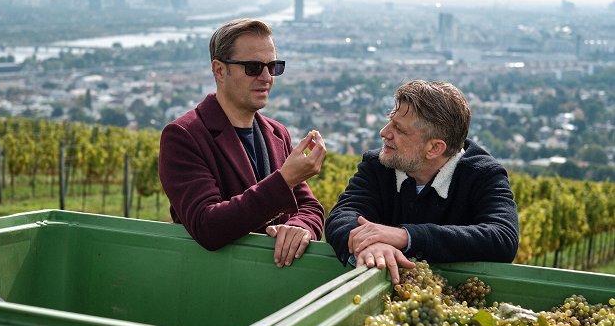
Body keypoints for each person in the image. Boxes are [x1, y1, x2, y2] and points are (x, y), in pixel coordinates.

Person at [159, 18, 326, 268]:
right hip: (214, 283)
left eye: (273, 66)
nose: (266, 77)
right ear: (219, 70)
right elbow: (207, 225)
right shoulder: (183, 135)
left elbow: (310, 208)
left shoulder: (277, 133)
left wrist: (298, 228)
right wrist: (284, 180)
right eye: (253, 67)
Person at [325, 80, 519, 284]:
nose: (384, 132)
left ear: (435, 148)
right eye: (390, 120)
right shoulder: (378, 166)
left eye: (399, 130)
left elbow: (502, 238)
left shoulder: (482, 175)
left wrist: (406, 237)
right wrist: (370, 245)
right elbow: (342, 216)